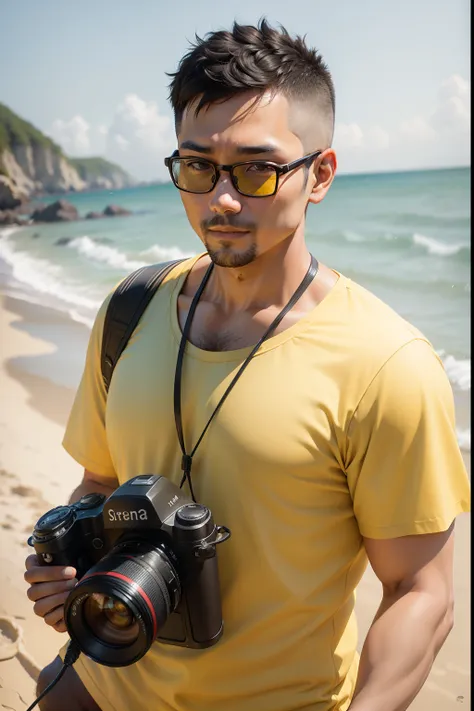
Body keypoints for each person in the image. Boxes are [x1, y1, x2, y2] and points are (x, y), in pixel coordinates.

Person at [24, 18, 470, 711]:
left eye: (258, 170)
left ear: (319, 174)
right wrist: (70, 567)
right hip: (97, 681)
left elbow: (422, 591)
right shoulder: (131, 308)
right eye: (197, 166)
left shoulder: (387, 364)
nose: (221, 199)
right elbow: (99, 481)